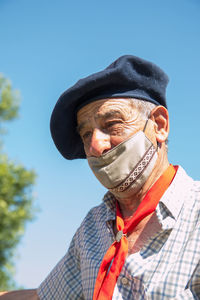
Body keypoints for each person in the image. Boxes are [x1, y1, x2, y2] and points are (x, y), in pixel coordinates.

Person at [1, 55, 200, 300]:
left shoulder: (195, 215)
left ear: (159, 125)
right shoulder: (94, 227)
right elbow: (44, 297)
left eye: (112, 123)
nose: (95, 145)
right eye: (85, 134)